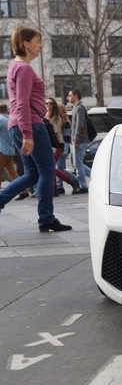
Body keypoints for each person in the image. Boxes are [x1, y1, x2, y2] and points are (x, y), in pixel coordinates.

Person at [0, 25, 72, 232]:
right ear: (26, 43)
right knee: (47, 170)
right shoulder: (24, 69)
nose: (41, 46)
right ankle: (46, 218)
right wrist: (28, 135)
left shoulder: (13, 67)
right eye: (38, 41)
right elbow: (22, 102)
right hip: (30, 124)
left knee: (32, 174)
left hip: (19, 124)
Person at [45, 97, 80, 195]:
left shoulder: (56, 118)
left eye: (50, 103)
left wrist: (54, 148)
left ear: (54, 105)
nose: (48, 105)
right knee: (51, 168)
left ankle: (70, 181)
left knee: (51, 168)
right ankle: (56, 187)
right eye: (46, 103)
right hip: (52, 145)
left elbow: (55, 133)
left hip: (56, 145)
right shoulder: (47, 115)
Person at [0, 104, 30, 200]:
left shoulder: (0, 120)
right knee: (12, 172)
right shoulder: (9, 119)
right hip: (10, 150)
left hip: (2, 150)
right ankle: (23, 190)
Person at [68, 89, 91, 194]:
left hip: (80, 141)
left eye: (70, 95)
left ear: (76, 96)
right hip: (80, 140)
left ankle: (83, 186)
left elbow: (79, 126)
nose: (68, 97)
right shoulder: (77, 108)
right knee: (79, 163)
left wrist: (76, 140)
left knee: (77, 164)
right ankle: (95, 176)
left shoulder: (79, 109)